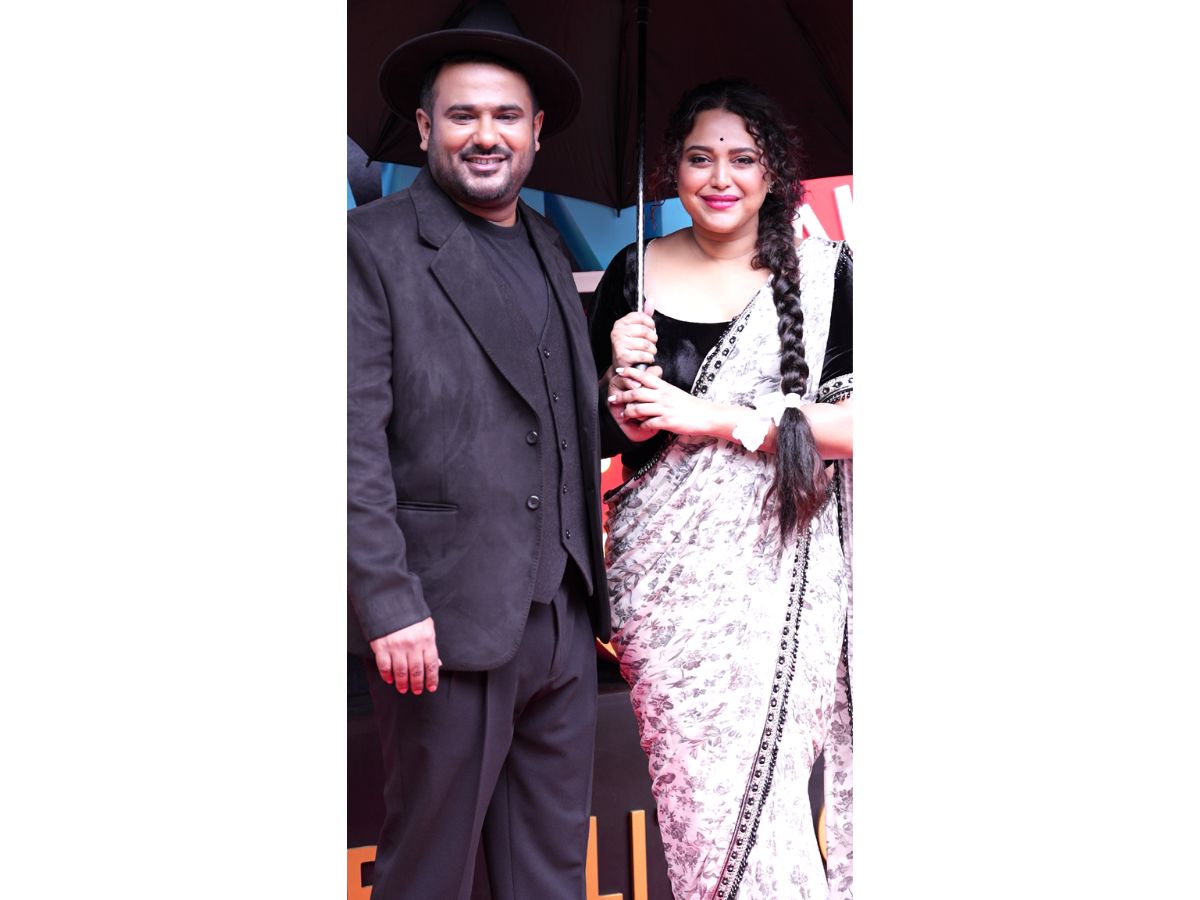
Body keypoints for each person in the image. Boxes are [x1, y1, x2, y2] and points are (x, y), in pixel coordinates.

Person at [347, 3, 611, 898]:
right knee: (430, 876)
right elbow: (346, 441)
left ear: (537, 132)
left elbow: (554, 421)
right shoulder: (370, 246)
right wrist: (389, 604)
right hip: (441, 622)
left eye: (506, 116)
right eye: (462, 115)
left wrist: (621, 387)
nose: (485, 135)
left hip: (563, 619)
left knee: (549, 878)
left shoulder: (545, 243)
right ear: (426, 128)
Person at [588, 79, 854, 900]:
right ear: (673, 169)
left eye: (743, 158)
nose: (720, 177)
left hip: (783, 581)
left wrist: (714, 418)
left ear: (775, 173)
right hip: (666, 593)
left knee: (769, 804)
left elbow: (860, 427)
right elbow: (605, 436)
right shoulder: (633, 272)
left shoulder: (826, 274)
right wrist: (618, 383)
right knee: (700, 813)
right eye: (700, 158)